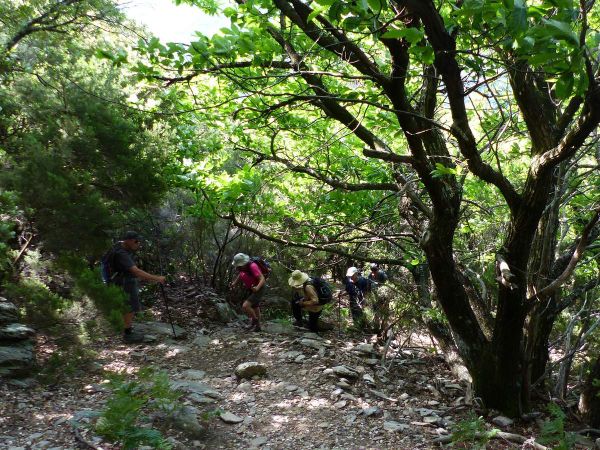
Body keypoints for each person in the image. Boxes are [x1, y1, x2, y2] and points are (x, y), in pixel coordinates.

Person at [111, 231, 166, 343]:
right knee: (130, 307)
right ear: (129, 240)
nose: (138, 243)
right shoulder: (121, 253)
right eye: (136, 241)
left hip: (121, 280)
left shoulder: (119, 247)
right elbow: (135, 271)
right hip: (125, 282)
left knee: (128, 306)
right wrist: (157, 278)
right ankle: (127, 334)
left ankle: (126, 330)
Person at [229, 253, 267, 332]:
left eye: (238, 265)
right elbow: (241, 275)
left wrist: (257, 288)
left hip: (258, 288)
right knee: (255, 307)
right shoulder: (243, 268)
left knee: (245, 306)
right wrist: (234, 283)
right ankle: (258, 327)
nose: (237, 267)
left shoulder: (253, 266)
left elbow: (262, 278)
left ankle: (254, 322)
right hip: (252, 288)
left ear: (243, 263)